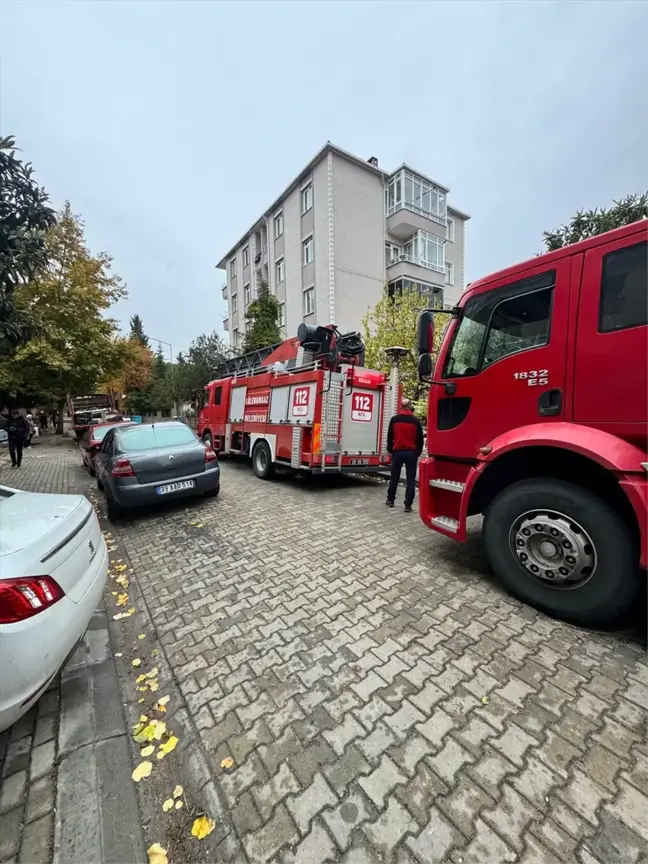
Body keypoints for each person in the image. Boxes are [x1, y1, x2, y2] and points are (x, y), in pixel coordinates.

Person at [385, 398, 424, 513]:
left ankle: (390, 500)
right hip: (411, 453)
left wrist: (391, 450)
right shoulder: (416, 421)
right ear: (410, 406)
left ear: (401, 406)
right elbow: (420, 440)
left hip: (398, 452)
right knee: (411, 480)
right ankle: (408, 505)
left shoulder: (394, 420)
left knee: (394, 477)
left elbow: (389, 437)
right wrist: (417, 452)